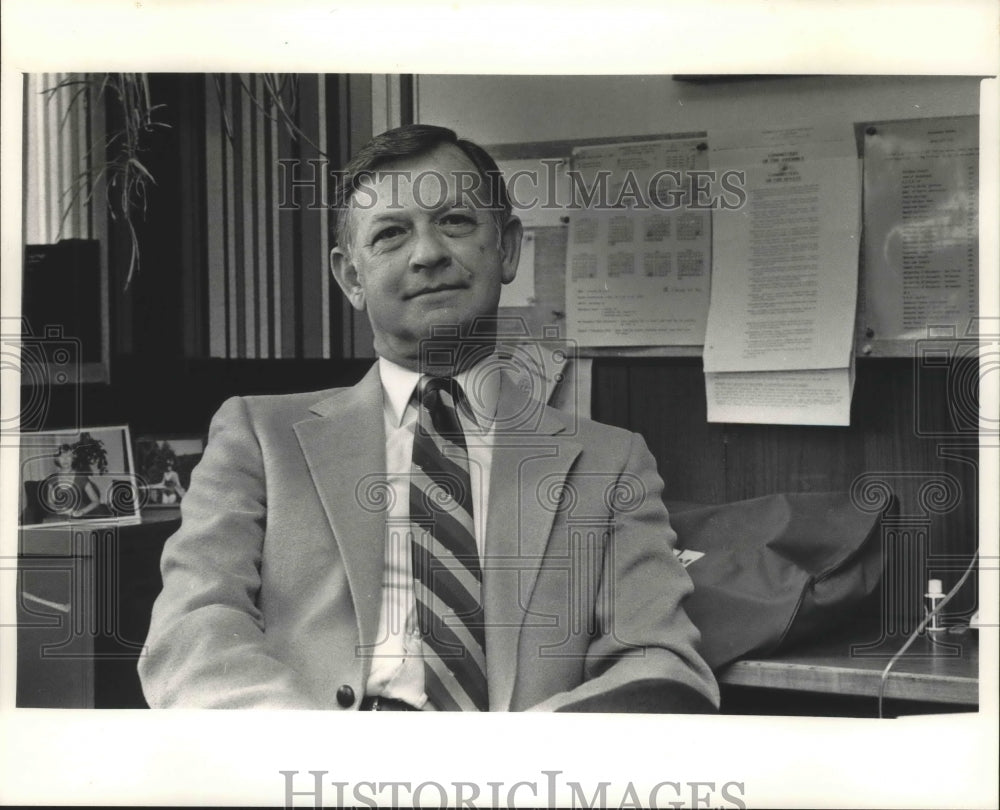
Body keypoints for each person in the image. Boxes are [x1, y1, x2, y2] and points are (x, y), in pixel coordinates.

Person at [139, 124, 719, 712]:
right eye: (390, 234)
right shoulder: (258, 438)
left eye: (456, 222)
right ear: (351, 277)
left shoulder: (610, 461)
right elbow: (193, 631)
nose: (428, 253)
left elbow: (660, 661)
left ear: (509, 248)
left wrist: (505, 765)